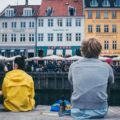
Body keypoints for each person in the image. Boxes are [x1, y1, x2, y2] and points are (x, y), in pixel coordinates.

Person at [68, 38, 114, 119]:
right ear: (99, 51)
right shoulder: (106, 67)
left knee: (74, 85)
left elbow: (71, 82)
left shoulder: (74, 66)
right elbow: (111, 83)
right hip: (100, 111)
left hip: (77, 111)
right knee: (108, 84)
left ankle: (77, 102)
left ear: (82, 51)